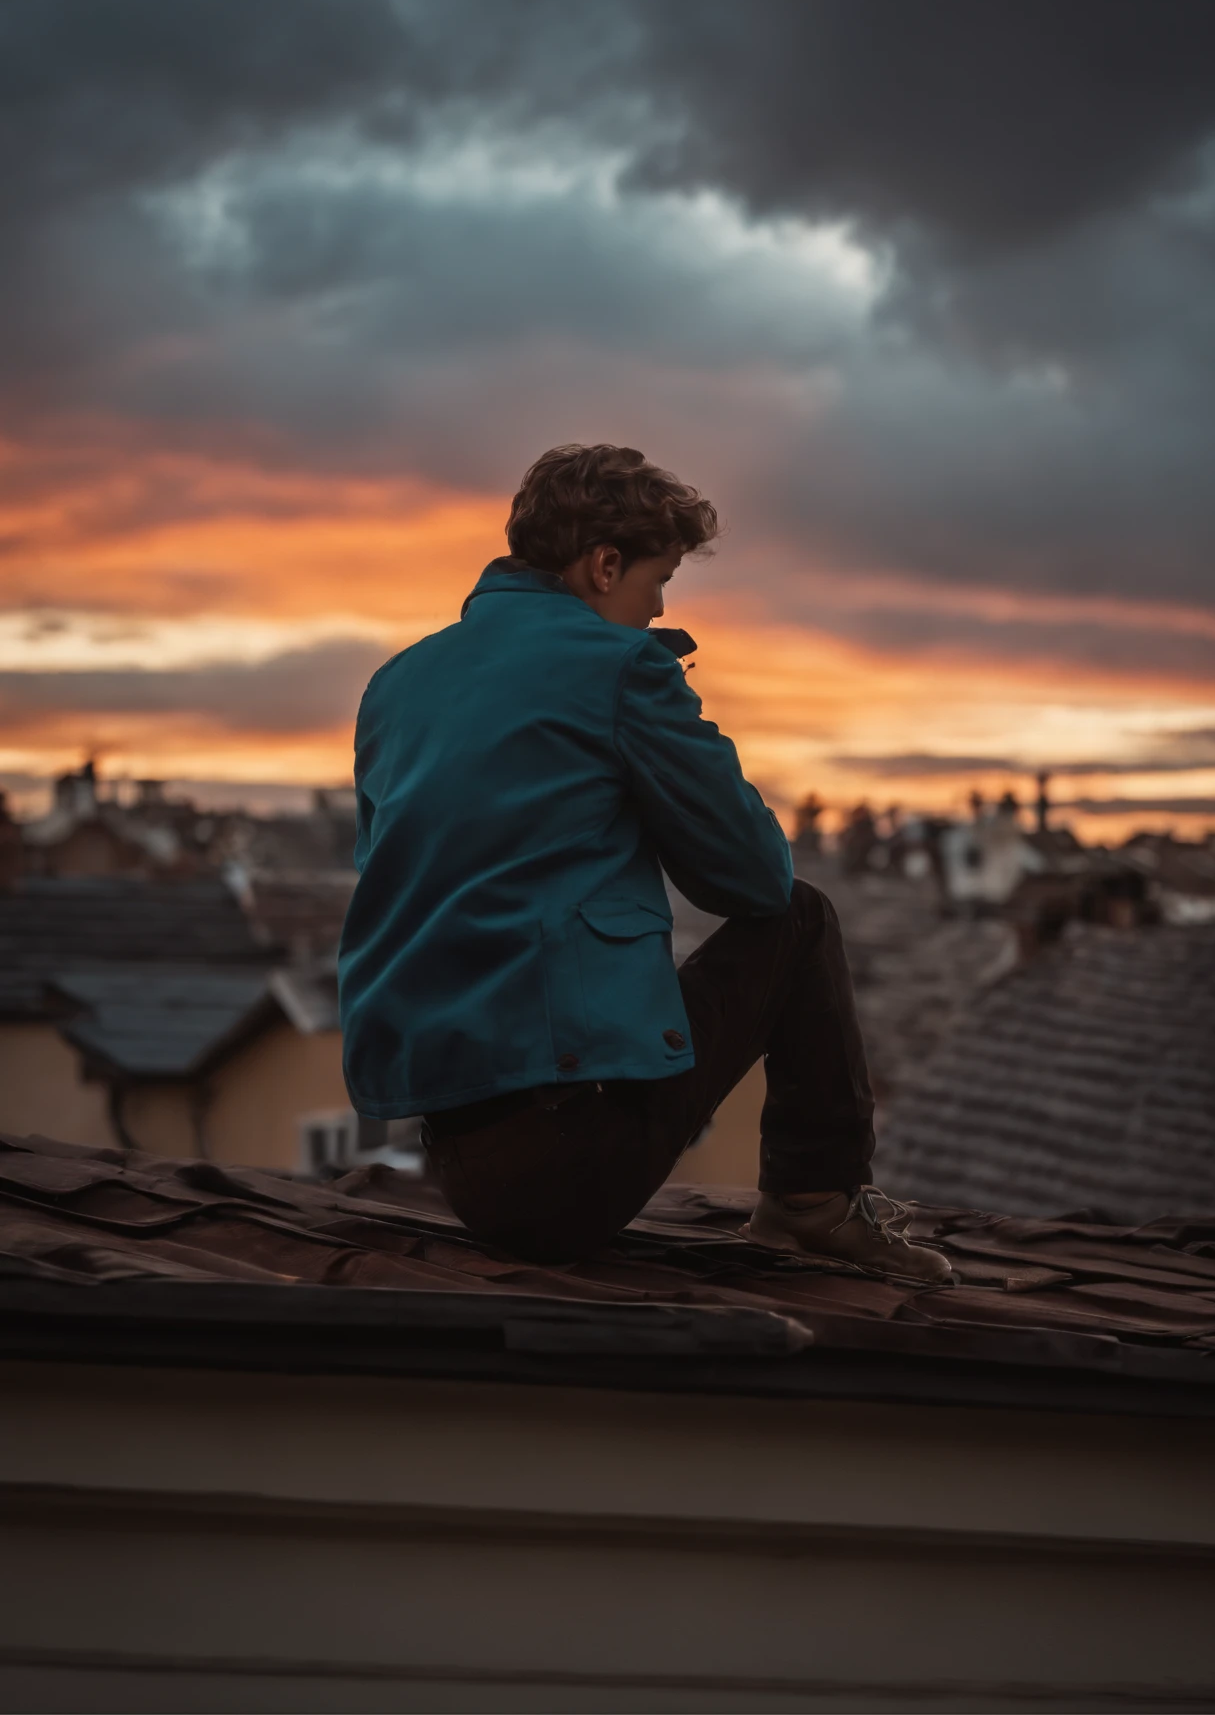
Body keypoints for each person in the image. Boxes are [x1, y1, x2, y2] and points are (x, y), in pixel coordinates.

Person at [338, 443, 950, 1283]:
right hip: (568, 1165)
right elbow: (751, 880)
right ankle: (816, 1203)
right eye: (657, 583)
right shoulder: (620, 669)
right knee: (801, 917)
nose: (659, 609)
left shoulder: (395, 684)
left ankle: (811, 1204)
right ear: (603, 564)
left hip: (455, 1161)